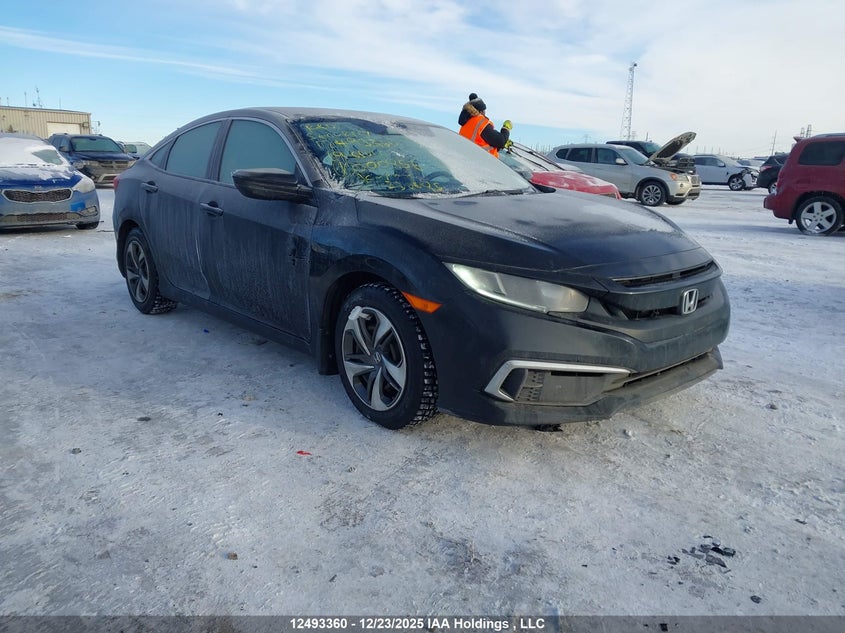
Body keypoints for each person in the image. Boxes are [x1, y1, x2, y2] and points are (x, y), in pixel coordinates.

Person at [458, 93, 512, 157]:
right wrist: (506, 128)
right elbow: (501, 141)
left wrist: (500, 145)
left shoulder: (466, 124)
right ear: (480, 111)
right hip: (484, 163)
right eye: (484, 110)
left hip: (470, 159)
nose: (485, 113)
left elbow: (481, 145)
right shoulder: (480, 123)